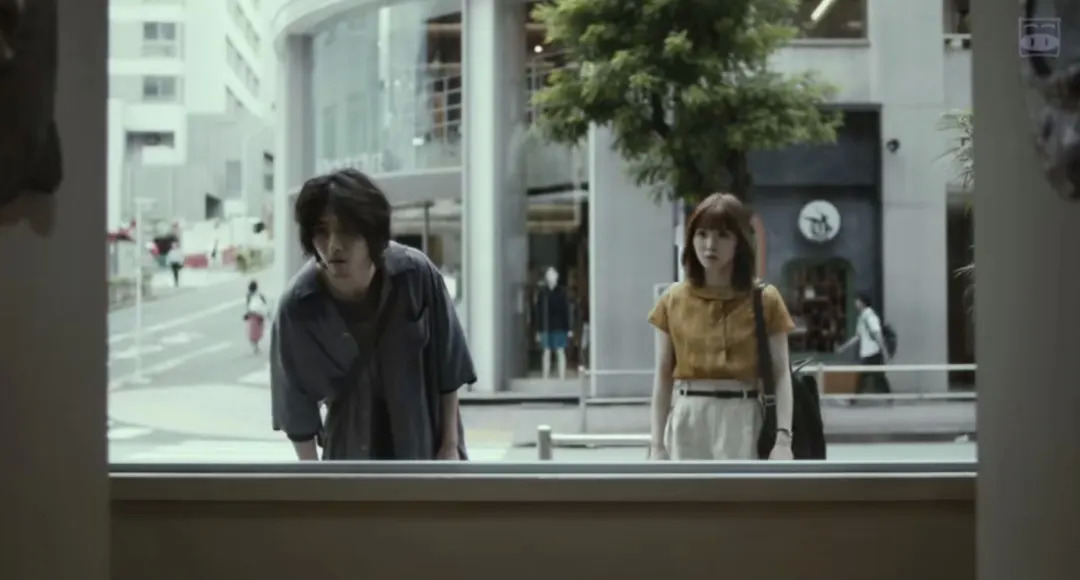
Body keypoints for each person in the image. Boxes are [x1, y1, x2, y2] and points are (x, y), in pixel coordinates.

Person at [270, 168, 476, 461]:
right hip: (349, 459)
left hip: (426, 452)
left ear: (372, 232)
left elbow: (450, 365)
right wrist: (316, 480)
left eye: (347, 230)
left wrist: (450, 445)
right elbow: (296, 411)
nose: (334, 245)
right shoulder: (298, 306)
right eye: (322, 231)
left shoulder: (415, 275)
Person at [647, 193, 796, 461]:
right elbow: (662, 375)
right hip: (688, 416)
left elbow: (781, 373)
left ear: (740, 241)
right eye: (702, 234)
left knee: (742, 489)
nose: (710, 245)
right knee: (688, 489)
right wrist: (656, 444)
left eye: (723, 235)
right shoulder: (672, 300)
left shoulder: (765, 299)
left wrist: (783, 438)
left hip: (744, 413)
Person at [836, 292, 891, 400]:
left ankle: (853, 400)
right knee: (877, 377)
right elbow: (857, 337)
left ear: (862, 302)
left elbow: (877, 334)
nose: (855, 303)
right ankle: (890, 398)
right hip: (867, 352)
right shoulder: (862, 317)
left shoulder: (870, 317)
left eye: (857, 300)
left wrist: (884, 351)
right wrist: (843, 348)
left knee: (867, 377)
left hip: (873, 352)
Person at [243, 280, 269, 354]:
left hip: (252, 315)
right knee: (257, 331)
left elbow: (248, 306)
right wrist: (266, 313)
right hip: (259, 316)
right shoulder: (260, 295)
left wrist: (247, 314)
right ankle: (256, 345)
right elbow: (264, 305)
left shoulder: (249, 296)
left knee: (252, 331)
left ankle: (255, 345)